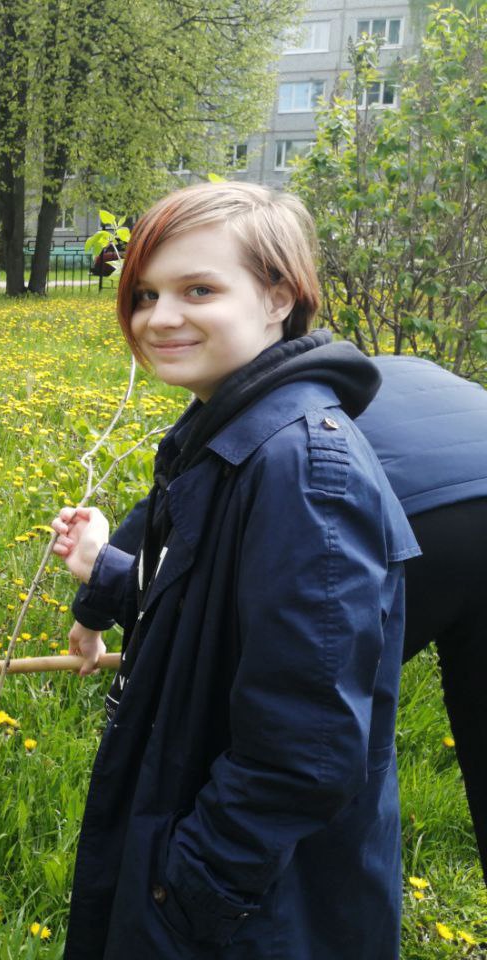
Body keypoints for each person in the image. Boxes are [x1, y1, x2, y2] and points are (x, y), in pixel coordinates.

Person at [49, 181, 418, 958]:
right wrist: (107, 573)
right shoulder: (227, 437)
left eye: (199, 289)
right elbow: (210, 613)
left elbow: (306, 743)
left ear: (279, 296)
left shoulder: (304, 470)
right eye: (145, 293)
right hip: (190, 848)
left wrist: (192, 890)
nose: (159, 317)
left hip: (257, 909)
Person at [70, 353, 487, 883]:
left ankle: (230, 877)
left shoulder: (266, 416)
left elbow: (163, 511)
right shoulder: (378, 375)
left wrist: (93, 612)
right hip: (457, 487)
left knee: (282, 716)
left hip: (406, 529)